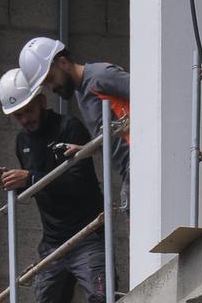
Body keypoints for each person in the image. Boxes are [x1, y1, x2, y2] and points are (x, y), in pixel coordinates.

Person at [0, 67, 106, 303]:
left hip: (86, 235)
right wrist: (11, 179)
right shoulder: (23, 142)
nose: (25, 120)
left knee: (102, 298)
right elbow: (40, 184)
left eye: (28, 111)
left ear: (41, 101)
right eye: (17, 115)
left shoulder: (69, 128)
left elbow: (78, 183)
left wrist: (28, 178)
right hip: (53, 243)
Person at [18, 36, 130, 204]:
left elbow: (151, 96)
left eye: (50, 79)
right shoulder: (81, 92)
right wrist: (86, 149)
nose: (52, 88)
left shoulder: (101, 76)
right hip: (127, 172)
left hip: (138, 163)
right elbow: (111, 133)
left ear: (62, 63)